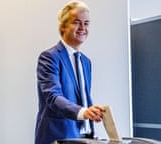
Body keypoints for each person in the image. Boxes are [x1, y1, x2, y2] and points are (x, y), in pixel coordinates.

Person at [34, 1, 105, 144]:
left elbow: (82, 97)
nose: (82, 28)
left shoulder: (86, 62)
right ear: (64, 26)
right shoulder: (49, 57)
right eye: (77, 22)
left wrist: (91, 112)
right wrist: (83, 112)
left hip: (84, 138)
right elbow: (53, 97)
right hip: (58, 137)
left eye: (86, 23)